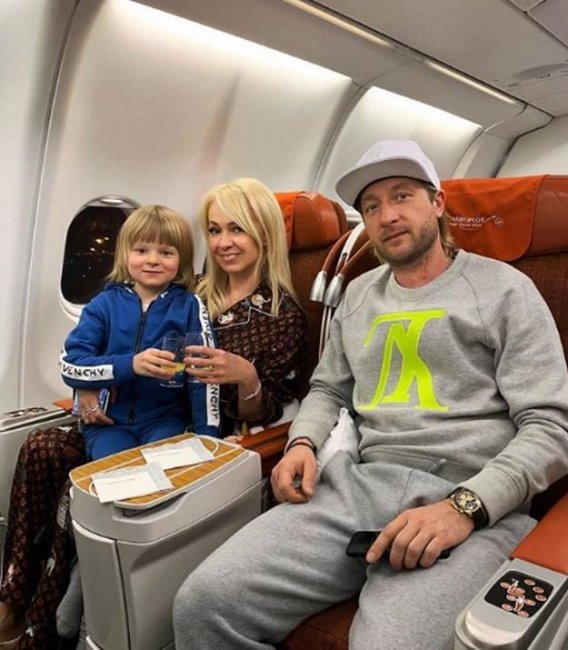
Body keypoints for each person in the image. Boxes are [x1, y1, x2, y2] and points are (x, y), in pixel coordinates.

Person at [172, 140, 568, 649]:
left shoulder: (505, 289)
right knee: (204, 602)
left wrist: (464, 507)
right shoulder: (358, 295)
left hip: (469, 499)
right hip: (356, 487)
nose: (388, 215)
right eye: (372, 206)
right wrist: (301, 443)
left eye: (402, 196)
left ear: (438, 203)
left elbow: (551, 427)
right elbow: (327, 387)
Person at [0, 180, 307, 649]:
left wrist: (245, 377)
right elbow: (99, 350)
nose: (224, 242)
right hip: (123, 413)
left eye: (238, 229)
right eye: (215, 230)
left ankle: (52, 620)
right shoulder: (188, 286)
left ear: (264, 233)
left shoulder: (280, 315)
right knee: (40, 447)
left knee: (87, 487)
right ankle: (13, 592)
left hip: (204, 432)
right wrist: (86, 389)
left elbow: (267, 408)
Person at [59, 203, 220, 459]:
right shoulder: (103, 305)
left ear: (182, 259)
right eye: (141, 250)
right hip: (110, 423)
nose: (153, 260)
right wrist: (130, 365)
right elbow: (71, 365)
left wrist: (208, 438)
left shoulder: (191, 307)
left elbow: (204, 377)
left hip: (167, 421)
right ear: (125, 254)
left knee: (164, 466)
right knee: (113, 470)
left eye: (166, 252)